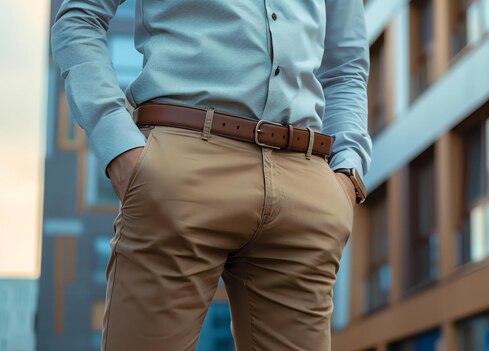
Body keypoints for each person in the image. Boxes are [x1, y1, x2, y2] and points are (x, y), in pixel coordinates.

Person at [50, 0, 372, 349]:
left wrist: (347, 172)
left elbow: (346, 67)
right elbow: (79, 19)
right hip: (180, 173)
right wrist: (120, 148)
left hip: (304, 184)